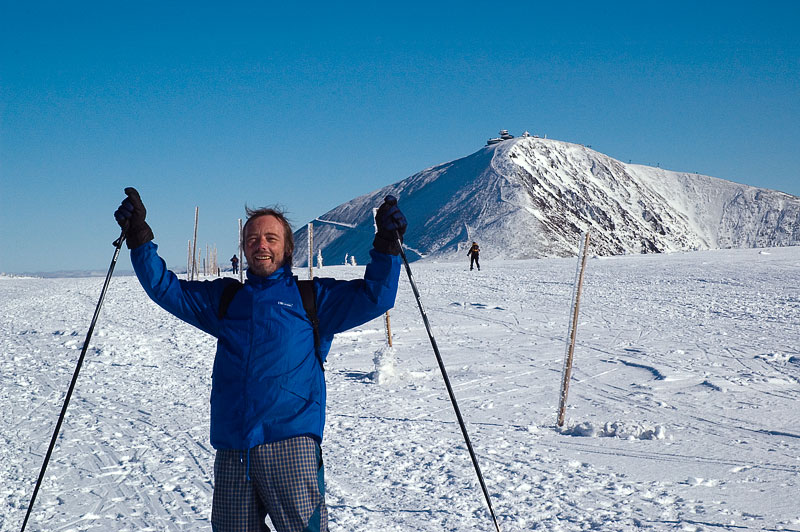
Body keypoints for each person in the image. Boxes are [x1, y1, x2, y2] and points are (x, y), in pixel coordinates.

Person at [114, 187, 406, 532]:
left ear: (287, 248)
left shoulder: (313, 298)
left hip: (291, 446)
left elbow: (376, 297)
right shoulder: (225, 300)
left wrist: (387, 245)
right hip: (234, 449)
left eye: (270, 238)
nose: (261, 245)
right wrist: (139, 237)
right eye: (252, 239)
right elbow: (166, 288)